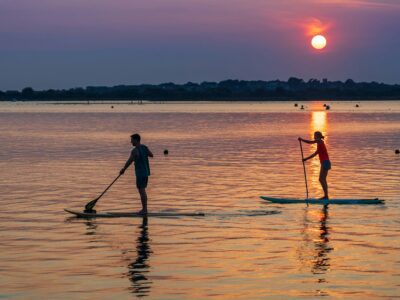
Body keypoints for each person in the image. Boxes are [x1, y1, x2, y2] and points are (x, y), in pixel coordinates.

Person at [120, 134, 153, 214]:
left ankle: (144, 210)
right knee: (143, 190)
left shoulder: (135, 150)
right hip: (146, 173)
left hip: (140, 173)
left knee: (141, 191)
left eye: (132, 140)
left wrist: (123, 169)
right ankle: (144, 209)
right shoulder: (144, 147)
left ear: (136, 140)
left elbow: (129, 161)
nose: (131, 142)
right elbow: (151, 155)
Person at [298, 131, 331, 199]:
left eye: (315, 135)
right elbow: (315, 154)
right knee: (323, 179)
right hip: (326, 162)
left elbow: (310, 142)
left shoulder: (319, 141)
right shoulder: (320, 144)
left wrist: (302, 139)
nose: (314, 137)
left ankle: (326, 196)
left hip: (325, 162)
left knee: (321, 179)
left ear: (318, 136)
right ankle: (326, 196)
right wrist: (306, 159)